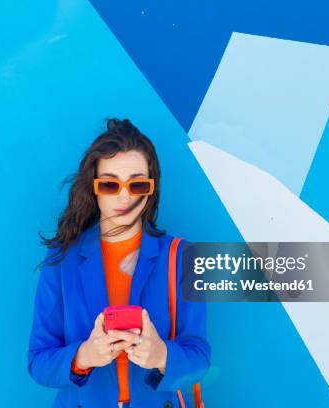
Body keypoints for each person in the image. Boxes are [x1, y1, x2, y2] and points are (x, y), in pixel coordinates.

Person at [28, 118, 210, 407]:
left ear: (150, 189)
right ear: (94, 187)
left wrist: (162, 356)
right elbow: (39, 361)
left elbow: (199, 358)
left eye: (137, 184)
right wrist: (84, 356)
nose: (124, 196)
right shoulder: (62, 259)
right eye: (111, 184)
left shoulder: (183, 257)